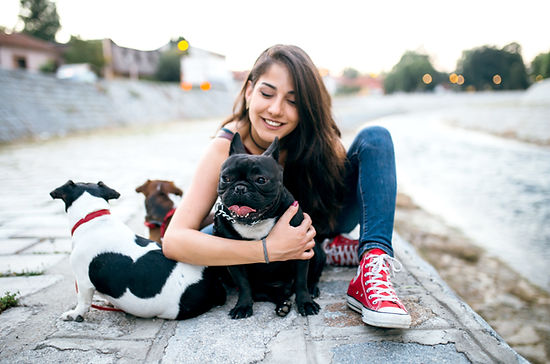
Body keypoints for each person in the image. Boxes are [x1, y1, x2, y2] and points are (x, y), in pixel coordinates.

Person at [163, 44, 411, 328]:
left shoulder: (318, 139)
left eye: (293, 101)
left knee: (376, 136)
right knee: (208, 238)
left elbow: (355, 188)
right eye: (267, 94)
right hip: (253, 230)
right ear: (248, 92)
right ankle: (330, 248)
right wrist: (269, 249)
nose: (276, 109)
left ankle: (371, 267)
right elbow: (175, 240)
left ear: (306, 108)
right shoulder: (225, 148)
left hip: (324, 220)